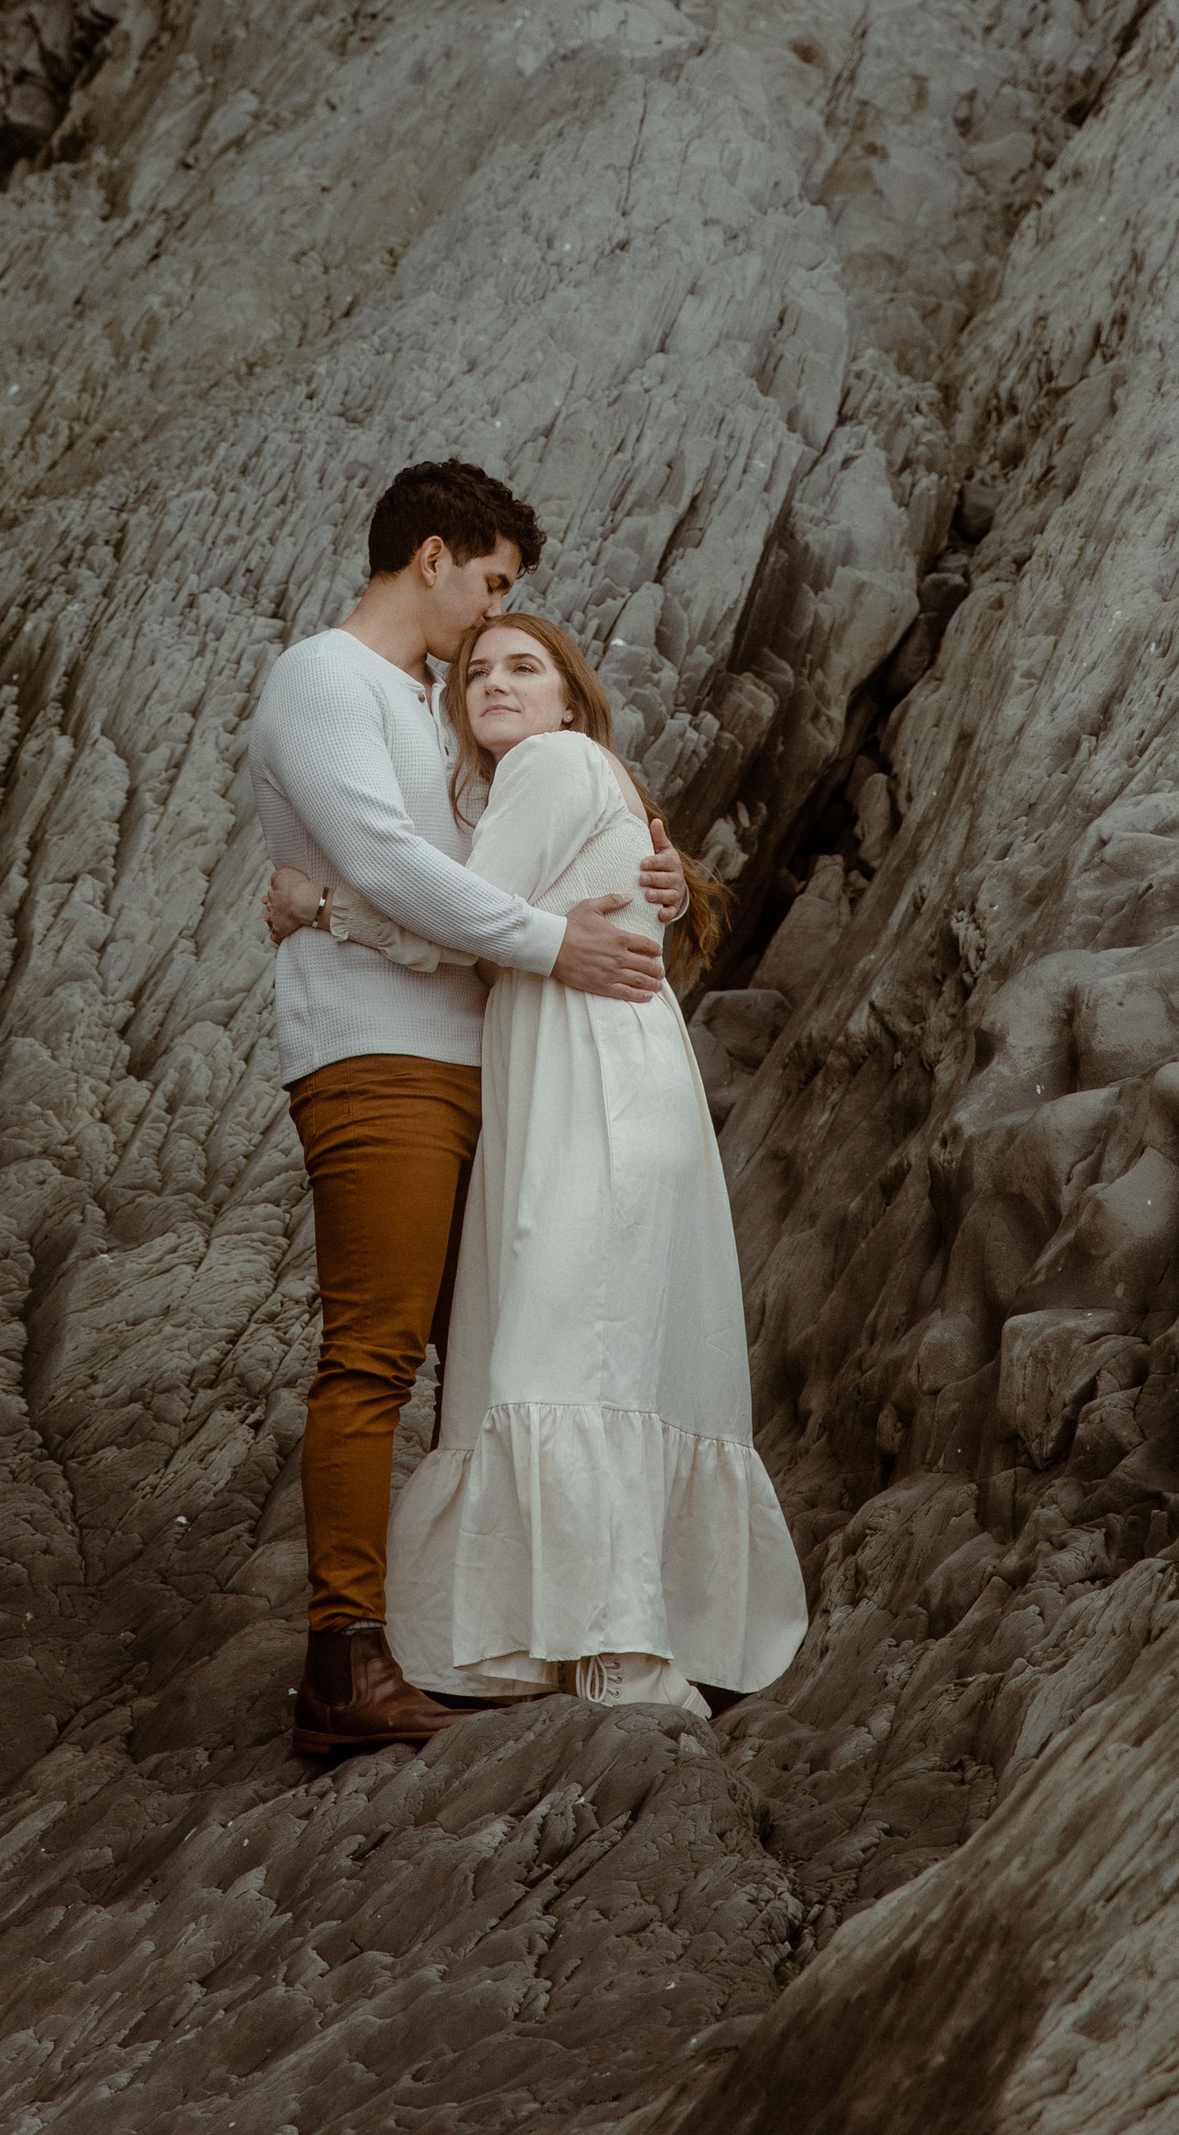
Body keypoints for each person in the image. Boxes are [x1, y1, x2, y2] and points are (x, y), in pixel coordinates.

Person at [276, 611, 809, 1715]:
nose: (493, 684)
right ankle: (575, 1632)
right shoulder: (577, 778)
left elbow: (448, 925)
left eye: (525, 667)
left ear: (572, 697)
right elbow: (495, 914)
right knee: (581, 1347)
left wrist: (316, 904)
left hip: (593, 1099)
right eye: (475, 672)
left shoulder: (555, 762)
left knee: (567, 1349)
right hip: (603, 1084)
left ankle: (613, 1643)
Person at [248, 461, 688, 1763]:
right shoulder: (321, 678)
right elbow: (394, 866)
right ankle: (343, 1661)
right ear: (430, 557)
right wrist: (548, 944)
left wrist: (650, 869)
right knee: (376, 1353)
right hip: (378, 1056)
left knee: (501, 1348)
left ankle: (483, 1629)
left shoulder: (428, 703)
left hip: (486, 1057)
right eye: (491, 582)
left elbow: (501, 859)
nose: (493, 612)